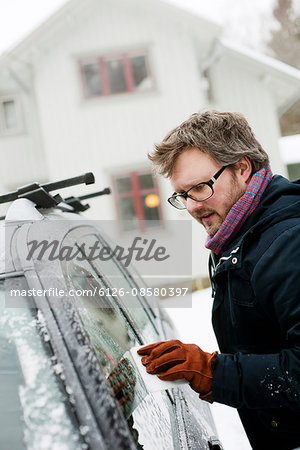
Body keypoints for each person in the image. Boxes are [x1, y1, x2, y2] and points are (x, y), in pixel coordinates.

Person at [137, 110, 300, 450]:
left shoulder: (288, 242)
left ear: (242, 168)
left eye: (200, 187)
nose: (193, 207)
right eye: (183, 194)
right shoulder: (239, 238)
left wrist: (213, 372)